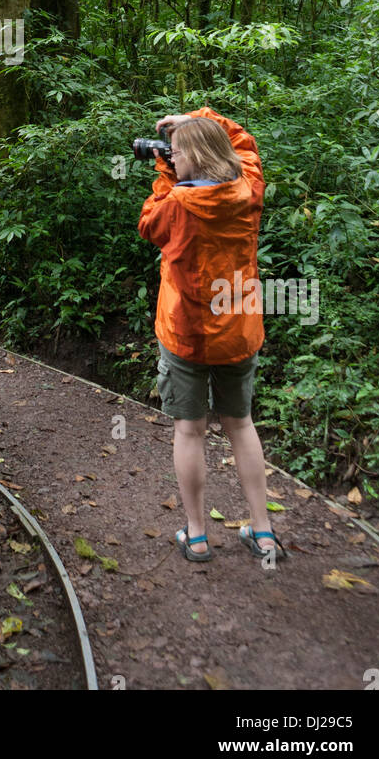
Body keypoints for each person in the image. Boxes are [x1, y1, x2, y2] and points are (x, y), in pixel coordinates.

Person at [137, 107, 286, 564]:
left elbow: (149, 224)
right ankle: (262, 531)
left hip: (186, 334)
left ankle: (197, 535)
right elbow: (243, 143)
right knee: (240, 424)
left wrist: (166, 175)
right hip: (238, 330)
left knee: (190, 429)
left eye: (176, 153)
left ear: (193, 158)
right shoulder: (250, 190)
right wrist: (196, 117)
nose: (170, 157)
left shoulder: (176, 204)